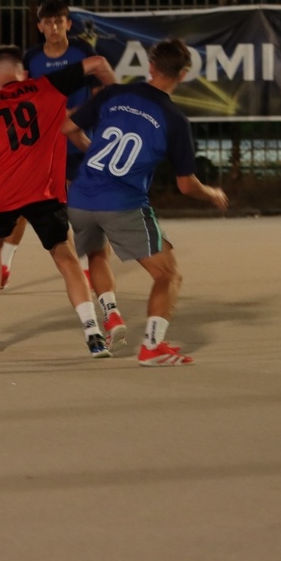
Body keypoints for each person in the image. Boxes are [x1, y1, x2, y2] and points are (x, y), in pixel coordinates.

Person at [61, 37, 229, 366]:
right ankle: (152, 346)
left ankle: (111, 314)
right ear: (183, 75)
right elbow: (186, 185)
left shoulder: (113, 94)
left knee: (97, 253)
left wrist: (93, 152)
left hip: (80, 198)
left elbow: (67, 127)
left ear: (150, 67)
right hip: (122, 203)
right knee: (168, 274)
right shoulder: (174, 119)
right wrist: (212, 193)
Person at [0, 44, 116, 358]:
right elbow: (97, 63)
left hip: (2, 193)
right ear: (23, 73)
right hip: (44, 190)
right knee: (64, 254)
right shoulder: (48, 86)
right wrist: (116, 98)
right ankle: (93, 332)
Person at [0, 0, 102, 292]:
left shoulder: (83, 52)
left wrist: (74, 116)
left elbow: (99, 93)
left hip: (76, 143)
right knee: (23, 206)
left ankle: (84, 268)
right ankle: (4, 264)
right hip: (42, 143)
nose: (54, 27)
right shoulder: (31, 58)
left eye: (59, 22)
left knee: (77, 209)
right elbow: (23, 97)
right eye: (48, 22)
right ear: (40, 26)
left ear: (68, 24)